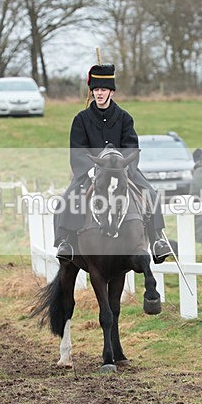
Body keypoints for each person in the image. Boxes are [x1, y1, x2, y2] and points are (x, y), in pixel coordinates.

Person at [54, 63, 172, 264]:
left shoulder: (124, 118)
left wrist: (124, 168)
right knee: (67, 199)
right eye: (96, 90)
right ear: (92, 92)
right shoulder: (81, 119)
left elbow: (131, 147)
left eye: (103, 90)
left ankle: (157, 240)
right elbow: (77, 150)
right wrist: (90, 170)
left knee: (150, 194)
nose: (99, 94)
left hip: (122, 170)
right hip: (90, 172)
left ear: (112, 92)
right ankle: (66, 241)